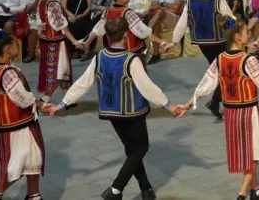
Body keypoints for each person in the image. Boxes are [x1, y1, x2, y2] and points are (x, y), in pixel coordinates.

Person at [45, 18, 186, 200]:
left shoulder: (100, 56)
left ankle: (146, 189)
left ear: (108, 36)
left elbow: (82, 83)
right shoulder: (131, 59)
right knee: (141, 147)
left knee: (131, 149)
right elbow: (147, 87)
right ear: (126, 35)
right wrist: (169, 105)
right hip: (132, 112)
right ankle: (115, 189)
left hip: (111, 112)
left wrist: (62, 104)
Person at [180, 18, 259, 200]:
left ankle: (257, 191)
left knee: (246, 153)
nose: (249, 34)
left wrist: (189, 103)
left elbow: (205, 84)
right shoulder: (248, 60)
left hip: (230, 114)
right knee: (254, 154)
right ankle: (242, 195)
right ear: (238, 37)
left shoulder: (220, 59)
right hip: (247, 113)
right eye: (246, 32)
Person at [0, 30, 45, 200]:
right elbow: (23, 98)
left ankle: (34, 195)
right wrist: (43, 105)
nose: (18, 45)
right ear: (7, 49)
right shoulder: (8, 72)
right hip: (17, 126)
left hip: (13, 125)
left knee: (33, 160)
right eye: (14, 43)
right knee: (22, 164)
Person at [170, 0, 237, 118]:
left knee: (220, 70)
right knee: (225, 71)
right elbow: (231, 20)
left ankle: (216, 100)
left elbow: (183, 22)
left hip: (202, 43)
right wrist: (234, 32)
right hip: (218, 41)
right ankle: (215, 101)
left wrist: (174, 41)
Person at [83, 0, 172, 57]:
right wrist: (162, 42)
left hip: (112, 49)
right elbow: (144, 32)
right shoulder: (127, 12)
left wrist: (87, 42)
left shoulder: (107, 11)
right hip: (130, 49)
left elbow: (98, 29)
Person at [32, 0, 83, 105]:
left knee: (59, 70)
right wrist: (74, 41)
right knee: (59, 71)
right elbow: (62, 26)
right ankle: (46, 98)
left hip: (46, 41)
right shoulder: (53, 4)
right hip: (56, 43)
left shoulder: (42, 2)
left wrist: (41, 27)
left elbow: (40, 19)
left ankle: (65, 97)